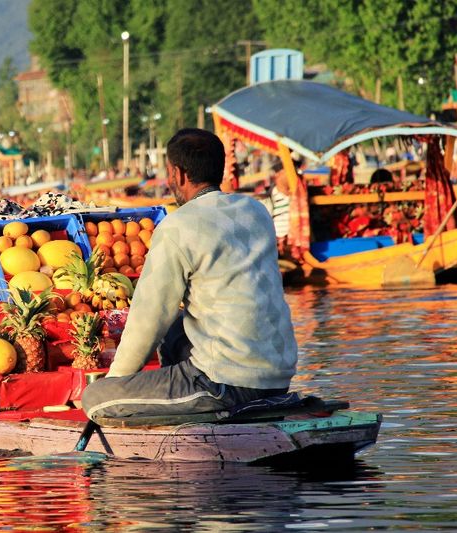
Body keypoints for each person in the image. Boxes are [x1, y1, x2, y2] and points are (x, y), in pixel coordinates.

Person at [81, 128, 298, 422]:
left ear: (179, 174)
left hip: (225, 384)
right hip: (277, 377)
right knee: (174, 330)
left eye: (169, 174)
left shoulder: (177, 227)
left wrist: (116, 382)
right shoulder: (256, 211)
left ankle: (200, 414)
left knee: (95, 400)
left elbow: (149, 317)